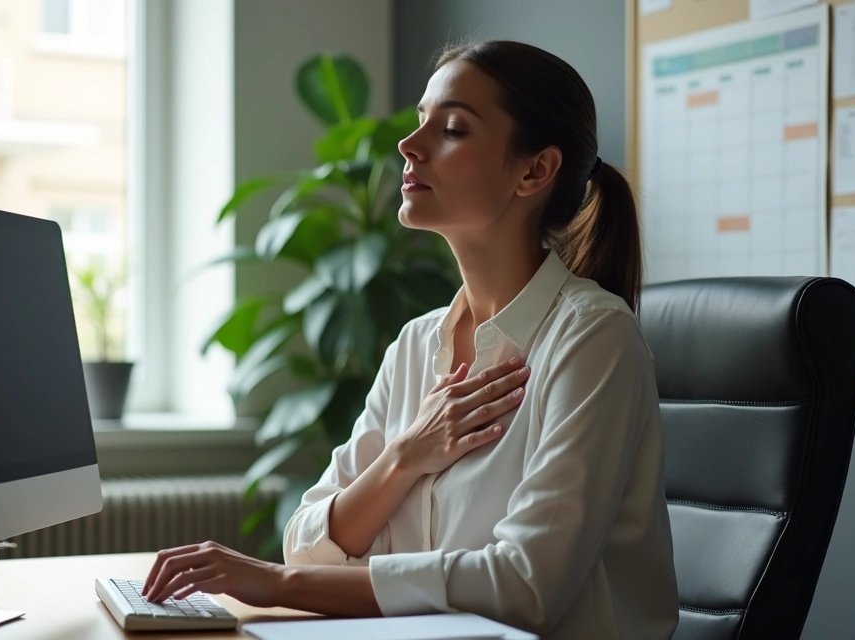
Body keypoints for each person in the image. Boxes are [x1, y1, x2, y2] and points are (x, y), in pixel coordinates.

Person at [141, 40, 679, 639]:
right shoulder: (417, 345)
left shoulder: (593, 339)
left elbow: (526, 588)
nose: (409, 144)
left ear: (534, 170)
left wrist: (276, 585)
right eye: (421, 120)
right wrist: (405, 457)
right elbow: (307, 543)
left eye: (451, 128)